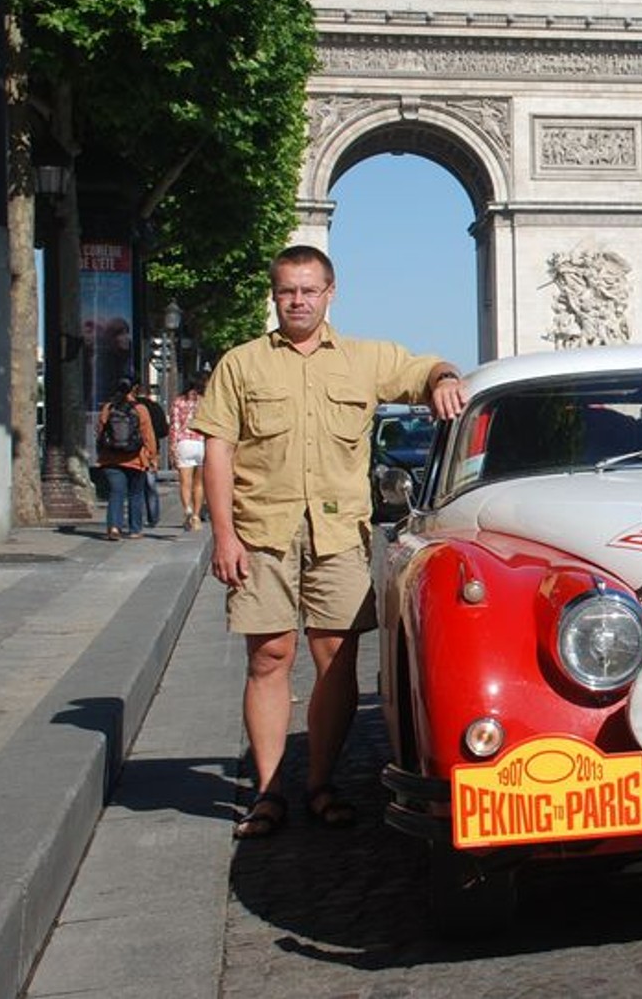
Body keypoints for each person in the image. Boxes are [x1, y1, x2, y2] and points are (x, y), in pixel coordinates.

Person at [195, 245, 468, 841]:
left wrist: (445, 377)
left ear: (330, 293)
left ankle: (321, 782)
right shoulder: (240, 365)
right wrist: (222, 535)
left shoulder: (366, 360)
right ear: (275, 295)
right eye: (288, 290)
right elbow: (216, 451)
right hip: (262, 532)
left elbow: (426, 370)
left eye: (309, 290)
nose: (298, 300)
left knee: (336, 659)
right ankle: (267, 792)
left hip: (339, 533)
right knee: (269, 658)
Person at [94, 378, 157, 541]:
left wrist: (101, 453)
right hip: (136, 458)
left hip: (111, 459)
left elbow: (100, 431)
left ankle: (114, 527)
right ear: (134, 389)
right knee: (135, 494)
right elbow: (148, 434)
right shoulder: (140, 409)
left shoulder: (108, 408)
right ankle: (135, 529)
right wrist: (152, 457)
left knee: (116, 493)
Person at [169, 377, 206, 530]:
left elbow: (174, 425)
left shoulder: (178, 402)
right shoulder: (204, 402)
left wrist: (173, 446)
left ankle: (187, 510)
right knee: (199, 483)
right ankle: (197, 516)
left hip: (184, 442)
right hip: (201, 443)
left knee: (185, 483)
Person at [138, 391, 169, 529]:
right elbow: (163, 430)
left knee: (135, 486)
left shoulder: (130, 407)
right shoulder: (155, 408)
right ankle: (153, 516)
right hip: (151, 448)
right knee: (150, 485)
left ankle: (139, 516)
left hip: (130, 451)